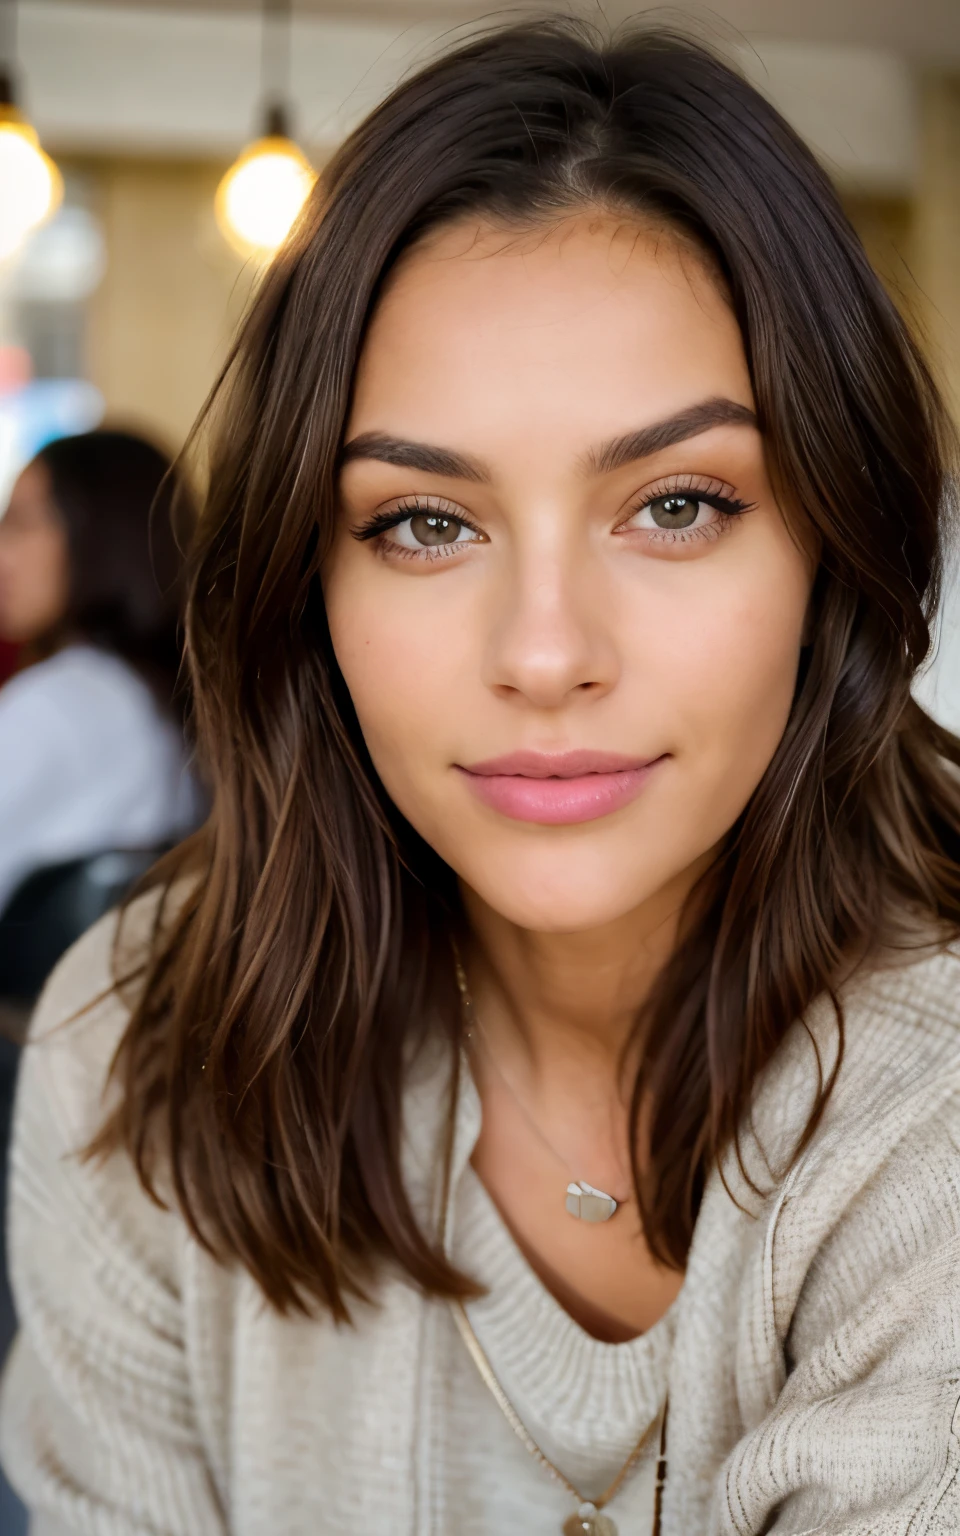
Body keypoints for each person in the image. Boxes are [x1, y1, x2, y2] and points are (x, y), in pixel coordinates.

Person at [2, 20, 959, 1536]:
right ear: (307, 584)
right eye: (426, 523)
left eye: (679, 504)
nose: (546, 652)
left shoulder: (935, 1114)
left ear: (836, 548)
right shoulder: (141, 1057)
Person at [0, 429, 199, 914]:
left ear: (101, 534)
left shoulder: (59, 704)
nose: (2, 553)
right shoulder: (165, 695)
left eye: (20, 523)